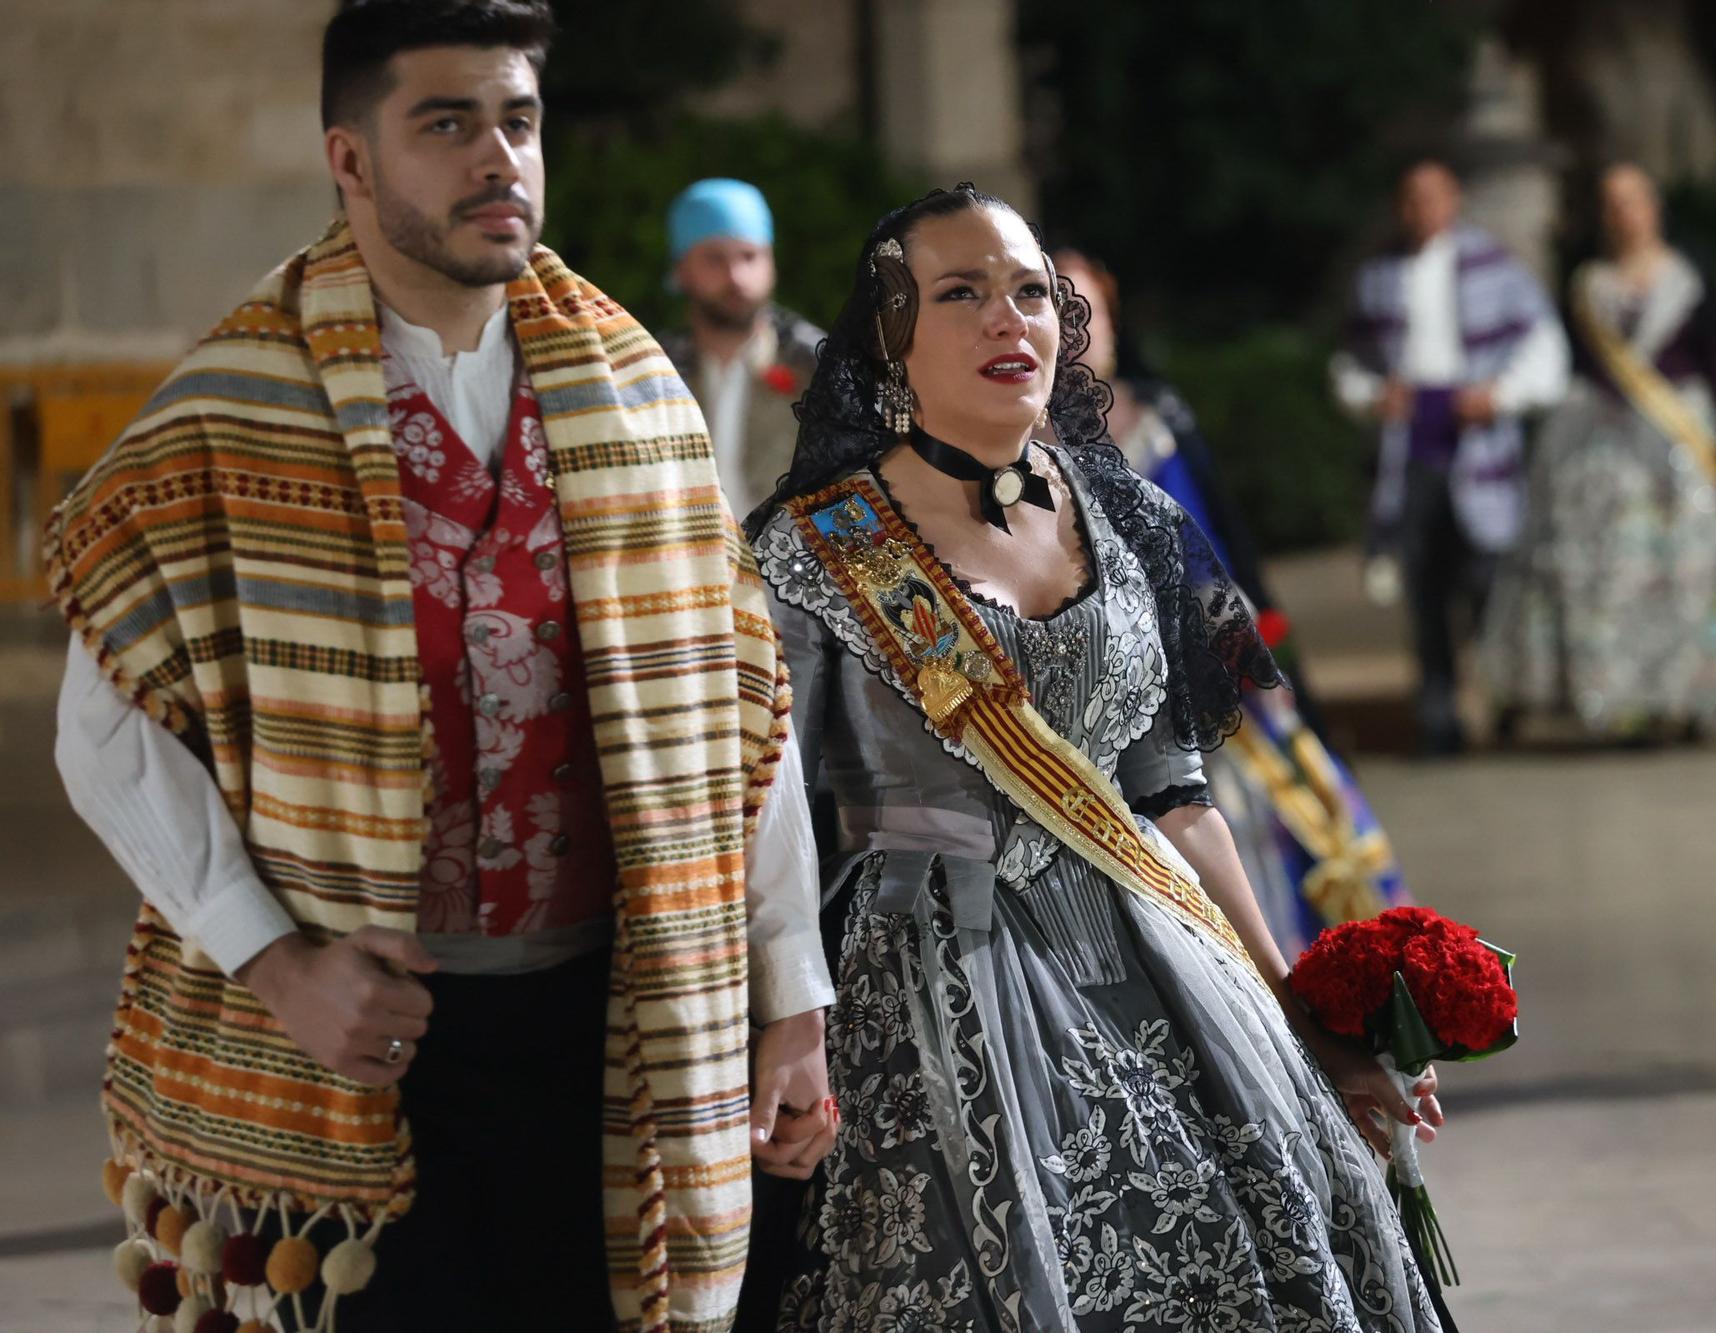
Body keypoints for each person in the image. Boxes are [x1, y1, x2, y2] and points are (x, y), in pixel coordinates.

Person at [47, 4, 831, 1329]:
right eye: (448, 123)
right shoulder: (227, 417)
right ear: (350, 161)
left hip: (618, 1019)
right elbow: (108, 727)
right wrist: (275, 963)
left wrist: (790, 989)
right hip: (364, 1038)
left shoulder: (638, 397)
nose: (498, 159)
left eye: (517, 121)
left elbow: (739, 712)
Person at [743, 185, 1446, 1331]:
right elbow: (765, 829)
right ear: (889, 339)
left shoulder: (1129, 520)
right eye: (958, 294)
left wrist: (1293, 1010)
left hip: (1163, 958)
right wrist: (783, 1020)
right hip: (933, 987)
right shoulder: (809, 551)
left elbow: (1174, 793)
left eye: (1029, 292)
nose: (1005, 320)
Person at [1055, 246, 1407, 951]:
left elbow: (1201, 552)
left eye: (1090, 314)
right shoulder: (1014, 445)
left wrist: (1243, 654)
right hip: (1079, 679)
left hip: (1190, 669)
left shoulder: (1155, 423)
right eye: (1061, 314)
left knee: (1252, 816)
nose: (1079, 333)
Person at [1482, 162, 1716, 741]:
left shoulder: (1690, 280)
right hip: (1602, 454)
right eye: (1612, 203)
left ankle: (1683, 702)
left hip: (1677, 447)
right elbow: (1569, 363)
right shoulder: (1587, 286)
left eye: (1634, 201)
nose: (1624, 214)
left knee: (1686, 572)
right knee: (1609, 578)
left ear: (1654, 207)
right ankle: (1617, 703)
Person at [1332, 159, 1570, 755]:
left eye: (1434, 196)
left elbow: (1544, 344)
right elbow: (1350, 362)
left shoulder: (1495, 266)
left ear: (1455, 199)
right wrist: (1372, 397)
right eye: (1412, 197)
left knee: (1489, 578)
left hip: (1478, 441)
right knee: (1424, 585)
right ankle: (1438, 715)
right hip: (1412, 444)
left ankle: (1503, 698)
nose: (1423, 209)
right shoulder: (1379, 276)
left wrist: (1502, 395)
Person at [661, 178, 824, 518]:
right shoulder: (654, 374)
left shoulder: (818, 367)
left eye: (750, 256)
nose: (736, 276)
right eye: (714, 259)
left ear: (771, 263)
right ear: (681, 270)